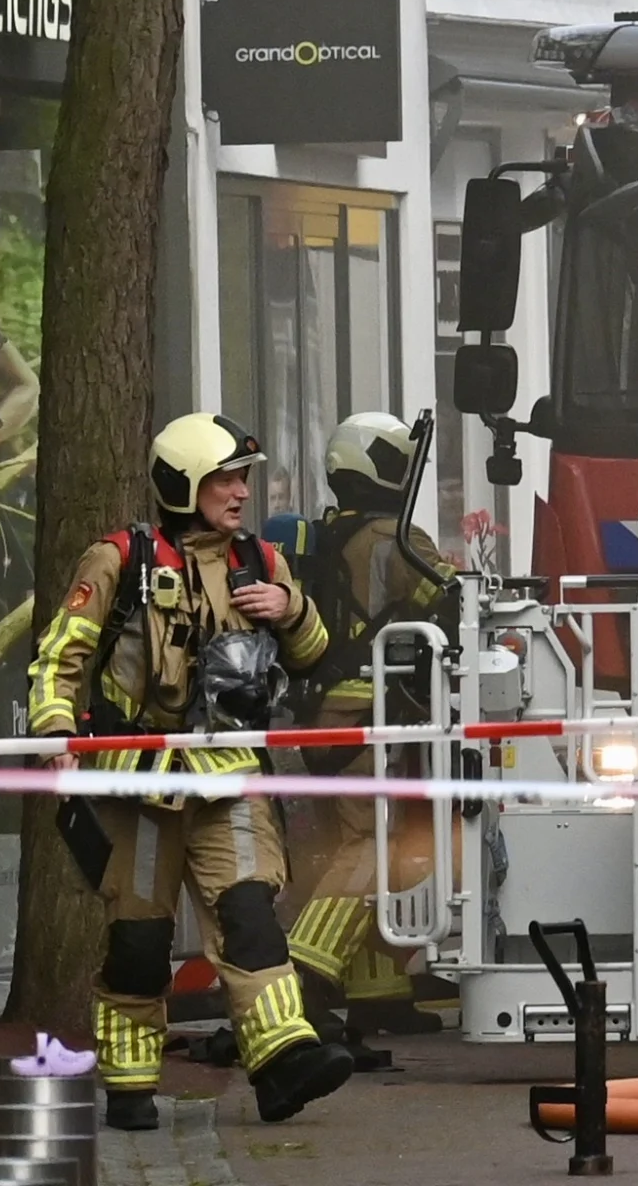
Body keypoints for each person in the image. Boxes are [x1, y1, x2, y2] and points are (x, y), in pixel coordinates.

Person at [27, 413, 358, 1131]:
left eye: (243, 478)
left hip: (229, 775)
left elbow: (314, 655)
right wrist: (54, 729)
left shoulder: (263, 563)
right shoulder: (117, 560)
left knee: (249, 915)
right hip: (140, 784)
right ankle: (130, 1083)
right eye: (224, 480)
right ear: (183, 487)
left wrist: (292, 609)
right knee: (140, 941)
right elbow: (61, 657)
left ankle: (281, 1062)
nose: (240, 492)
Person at [284, 413, 461, 1061]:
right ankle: (306, 970)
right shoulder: (394, 536)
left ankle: (378, 987)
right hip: (368, 716)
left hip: (322, 716)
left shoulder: (329, 537)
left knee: (353, 840)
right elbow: (449, 595)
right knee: (373, 841)